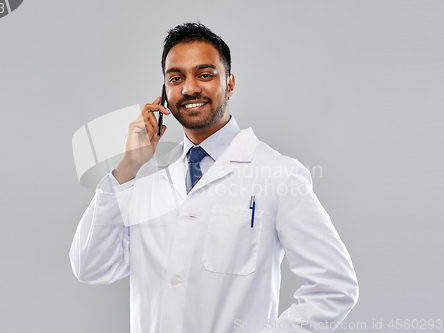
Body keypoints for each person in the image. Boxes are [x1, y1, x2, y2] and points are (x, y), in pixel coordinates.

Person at [69, 22, 358, 333]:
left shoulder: (279, 176)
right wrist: (127, 166)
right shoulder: (146, 180)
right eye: (176, 78)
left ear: (230, 84)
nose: (190, 88)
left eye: (205, 75)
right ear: (164, 94)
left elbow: (335, 287)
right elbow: (90, 266)